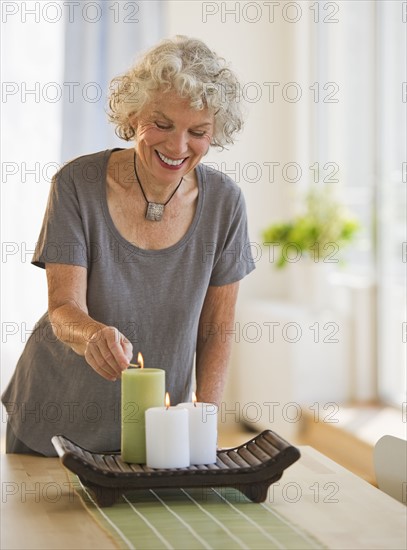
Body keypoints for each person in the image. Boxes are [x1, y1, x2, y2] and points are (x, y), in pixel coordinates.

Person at [2, 36, 255, 456]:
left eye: (197, 132)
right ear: (133, 113)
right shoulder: (76, 184)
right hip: (55, 423)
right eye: (161, 123)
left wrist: (202, 426)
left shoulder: (225, 203)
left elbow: (216, 329)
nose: (177, 147)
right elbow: (63, 309)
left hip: (156, 434)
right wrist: (93, 336)